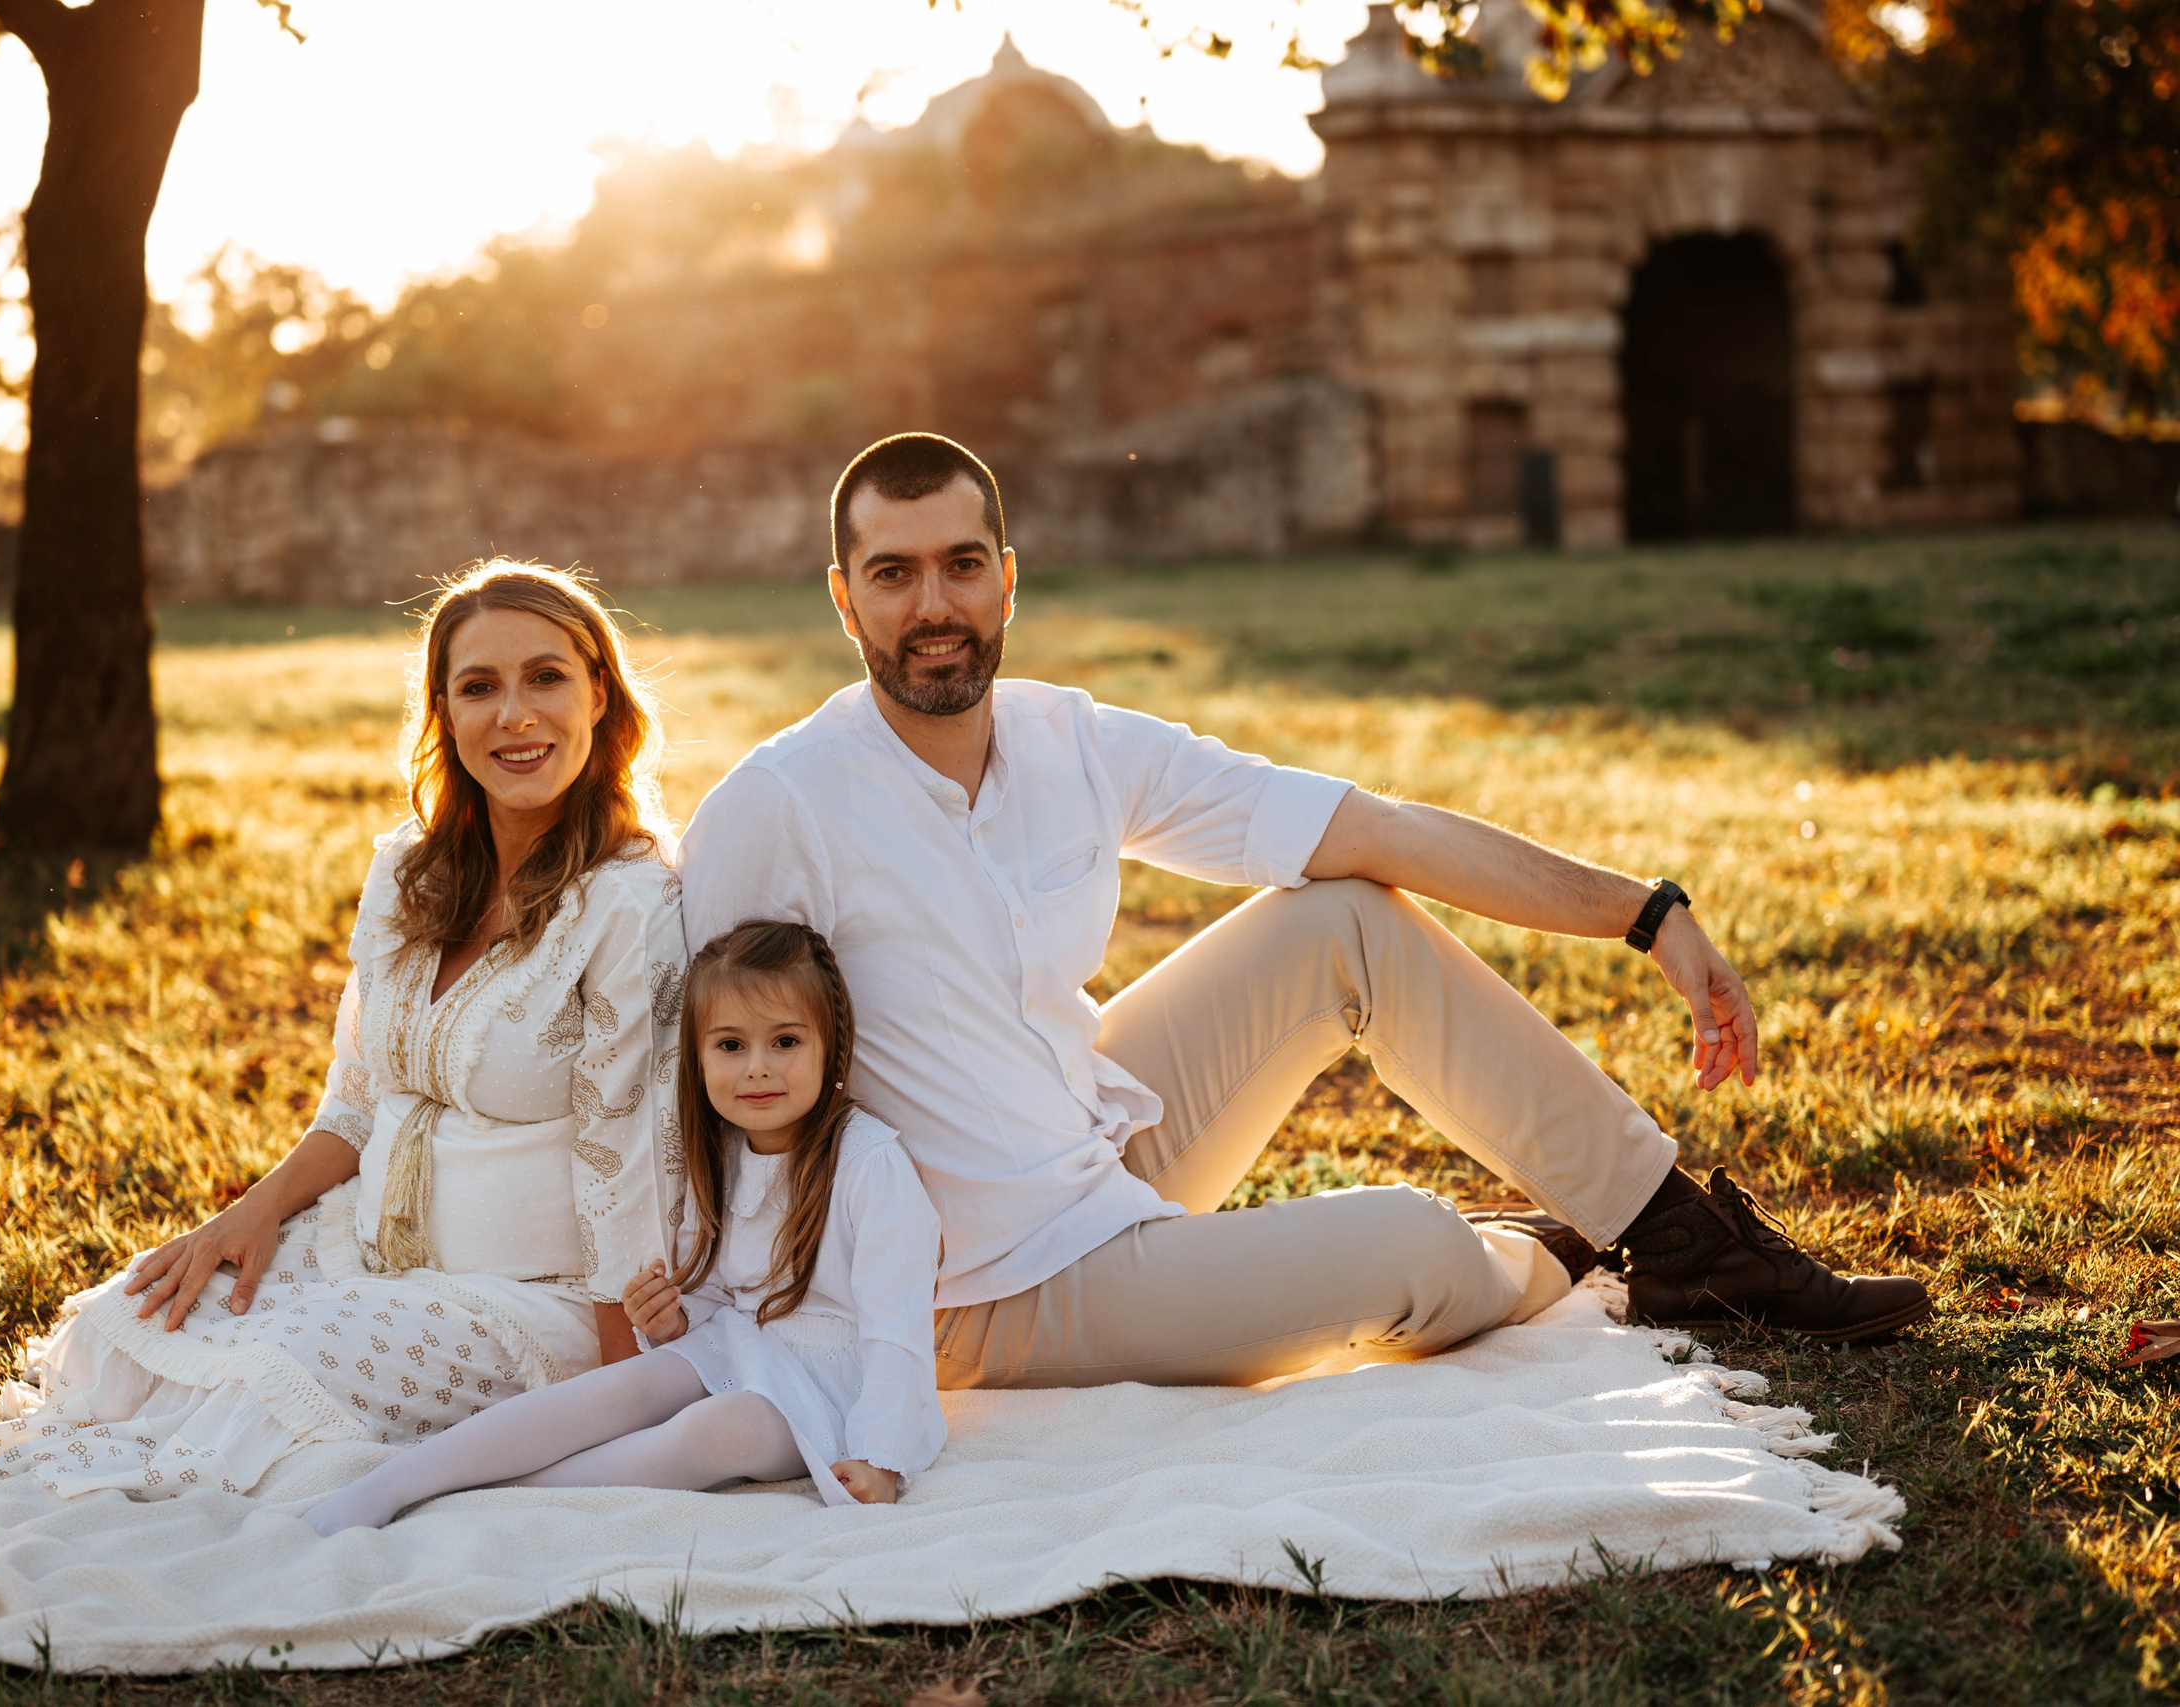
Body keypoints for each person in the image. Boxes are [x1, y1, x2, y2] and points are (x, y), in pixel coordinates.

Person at [678, 432, 1932, 1393]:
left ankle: (1683, 1242)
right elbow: (671, 1082)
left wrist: (1649, 914)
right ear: (843, 601)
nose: (931, 607)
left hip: (1096, 1150)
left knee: (1343, 917)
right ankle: (1551, 1251)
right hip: (980, 1277)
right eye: (890, 576)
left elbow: (1376, 830)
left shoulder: (1070, 738)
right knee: (1412, 1248)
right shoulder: (777, 805)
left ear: (1007, 583)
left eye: (960, 567)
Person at [0, 563, 686, 1499]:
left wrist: (616, 1385)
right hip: (359, 1245)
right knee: (129, 1331)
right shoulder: (407, 874)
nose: (515, 714)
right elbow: (356, 1101)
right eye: (479, 686)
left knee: (266, 1401)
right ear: (444, 710)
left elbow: (625, 1158)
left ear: (600, 692)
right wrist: (250, 1215)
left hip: (532, 1300)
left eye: (546, 677)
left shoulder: (631, 902)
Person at [303, 918, 943, 1533]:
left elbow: (897, 1331)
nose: (757, 1067)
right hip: (743, 1343)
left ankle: (479, 1501)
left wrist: (881, 1457)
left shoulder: (870, 1163)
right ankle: (396, 1482)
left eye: (785, 1041)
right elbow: (720, 1293)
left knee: (728, 1429)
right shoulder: (720, 1154)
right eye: (730, 1045)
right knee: (619, 1390)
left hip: (838, 1382)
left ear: (832, 1044)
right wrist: (671, 1324)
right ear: (697, 1057)